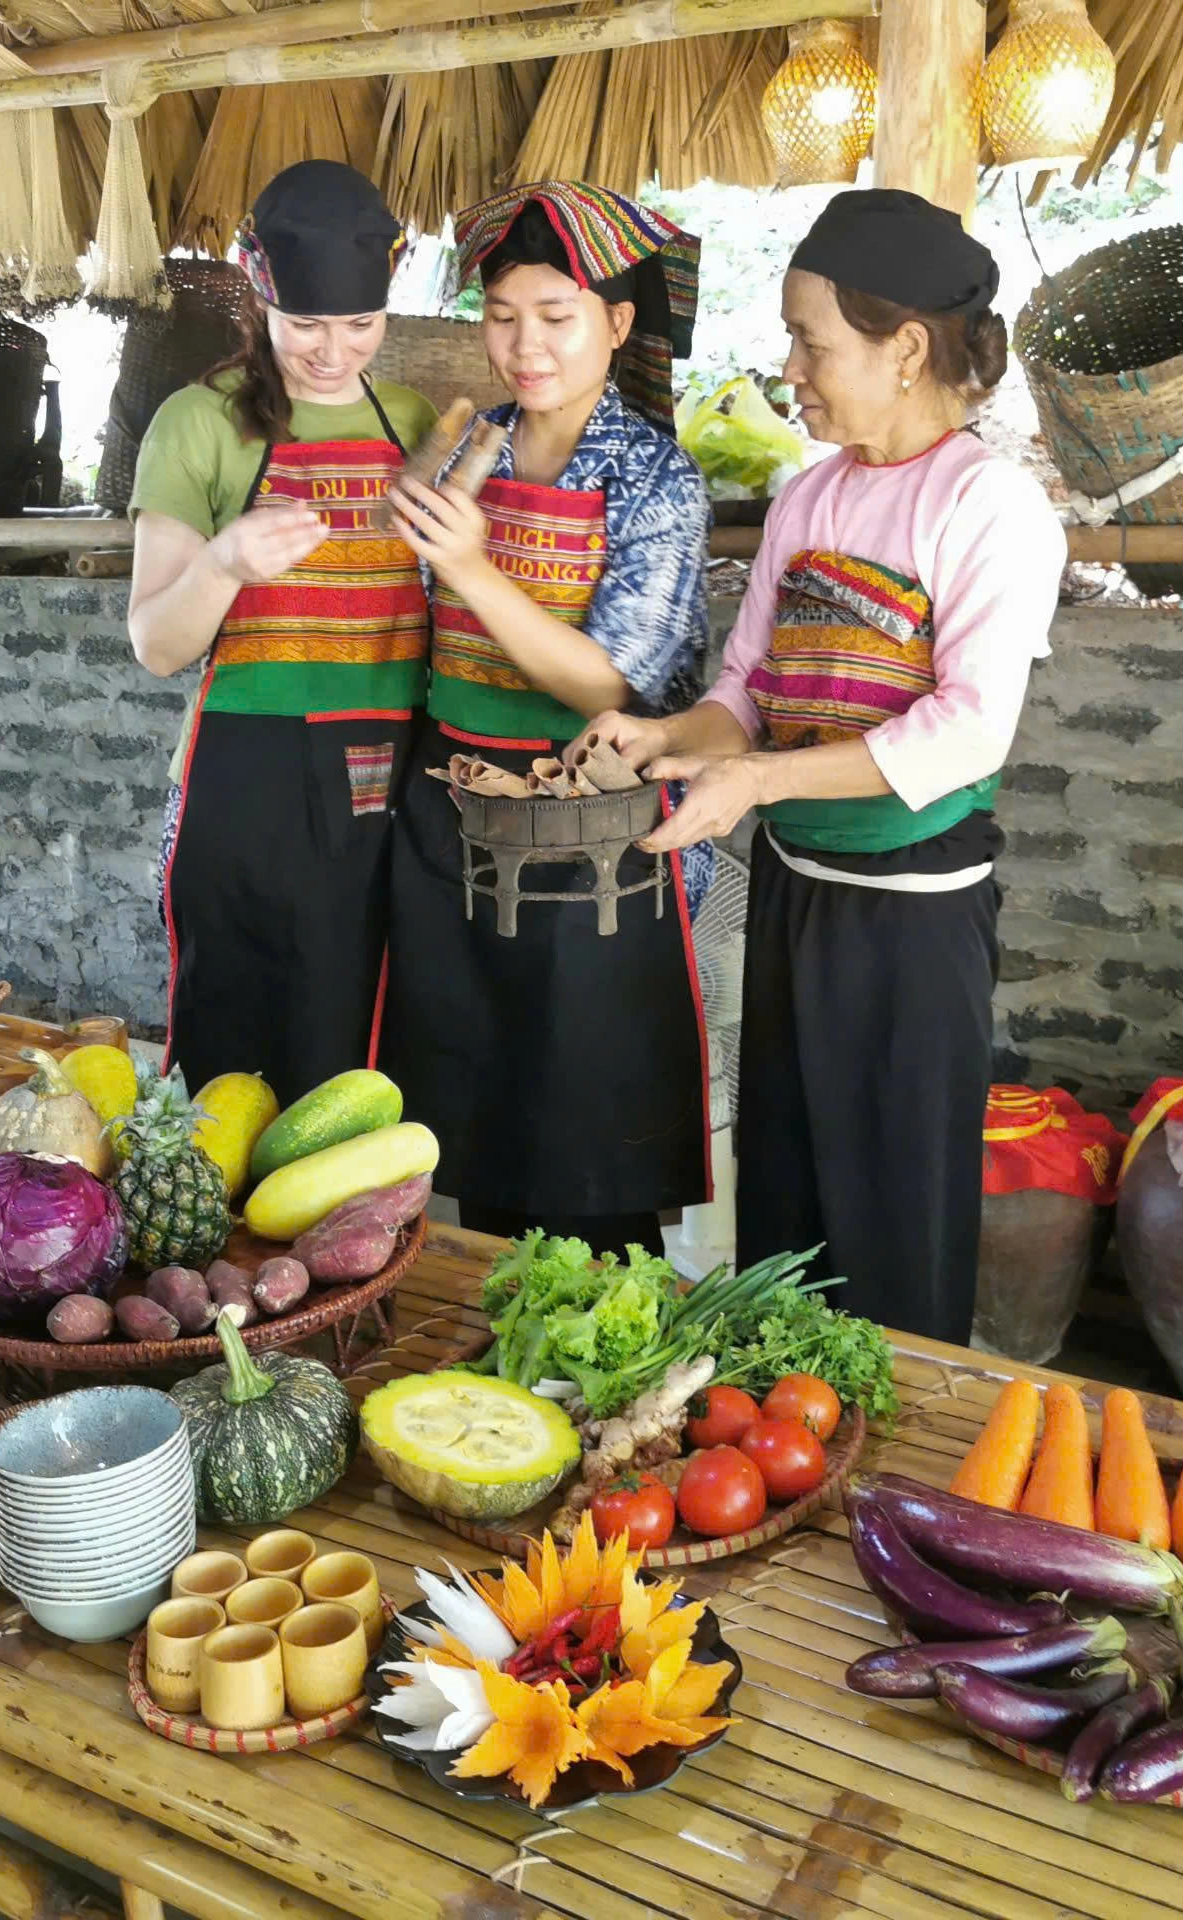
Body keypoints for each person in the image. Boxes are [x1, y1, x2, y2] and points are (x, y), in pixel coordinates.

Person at [591, 189, 1066, 1339]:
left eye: (812, 341)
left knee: (891, 1222)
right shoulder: (811, 496)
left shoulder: (989, 506)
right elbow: (744, 692)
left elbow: (965, 730)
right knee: (789, 1211)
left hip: (911, 930)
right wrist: (663, 741)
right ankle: (785, 1445)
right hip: (798, 907)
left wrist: (758, 785)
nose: (789, 368)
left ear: (905, 350)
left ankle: (892, 1458)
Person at [379, 181, 714, 1253]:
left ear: (617, 324)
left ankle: (604, 1363)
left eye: (557, 317)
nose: (526, 346)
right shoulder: (470, 442)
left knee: (584, 1129)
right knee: (473, 1117)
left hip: (591, 834)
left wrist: (470, 567)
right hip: (452, 819)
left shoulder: (656, 476)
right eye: (503, 315)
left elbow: (613, 682)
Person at [128, 161, 442, 1099]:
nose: (333, 352)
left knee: (370, 1037)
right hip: (250, 774)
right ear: (260, 296)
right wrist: (224, 563)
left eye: (360, 325)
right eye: (307, 324)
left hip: (393, 768)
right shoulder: (198, 424)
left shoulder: (416, 421)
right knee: (241, 1033)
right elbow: (156, 644)